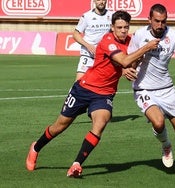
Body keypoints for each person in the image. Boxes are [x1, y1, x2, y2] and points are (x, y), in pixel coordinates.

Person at [26, 10, 160, 178]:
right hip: (84, 89)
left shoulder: (130, 43)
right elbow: (124, 60)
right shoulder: (107, 41)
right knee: (59, 126)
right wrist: (145, 48)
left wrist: (130, 66)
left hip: (104, 94)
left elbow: (129, 63)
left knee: (100, 123)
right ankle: (36, 147)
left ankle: (76, 165)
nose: (123, 31)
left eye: (126, 27)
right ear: (112, 27)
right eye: (119, 27)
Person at [127, 4, 175, 168]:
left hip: (166, 89)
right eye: (156, 21)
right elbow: (130, 59)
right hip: (143, 88)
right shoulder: (139, 35)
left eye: (163, 21)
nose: (160, 25)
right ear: (149, 19)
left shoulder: (173, 35)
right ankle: (166, 145)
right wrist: (131, 68)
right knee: (158, 123)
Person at [73, 0, 113, 81]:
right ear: (94, 1)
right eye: (98, 0)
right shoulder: (87, 16)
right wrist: (88, 46)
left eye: (103, 0)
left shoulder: (112, 15)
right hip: (88, 55)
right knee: (78, 82)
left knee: (100, 83)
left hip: (104, 57)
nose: (101, 2)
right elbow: (76, 34)